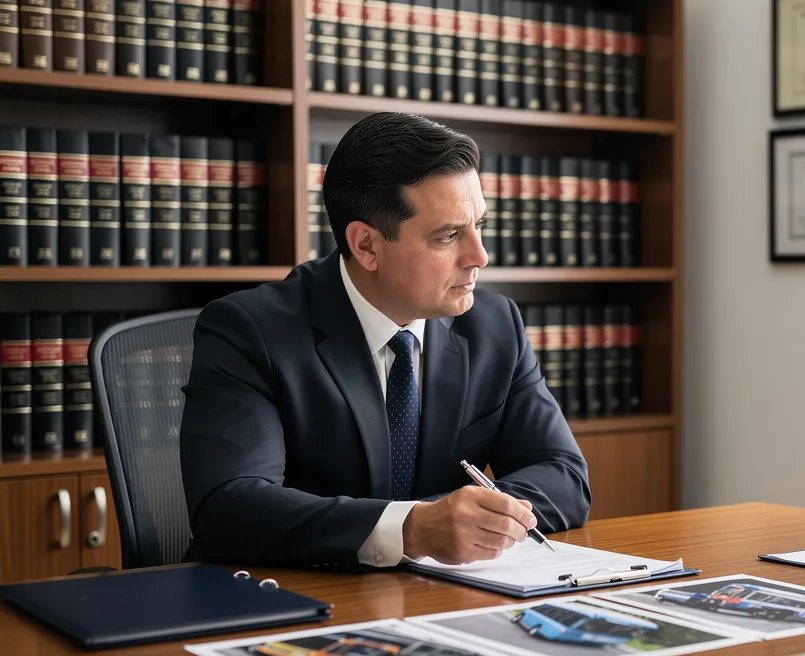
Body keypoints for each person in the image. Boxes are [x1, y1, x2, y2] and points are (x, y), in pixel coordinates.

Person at [179, 112, 591, 571]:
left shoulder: (494, 325)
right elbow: (230, 507)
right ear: (366, 246)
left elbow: (563, 476)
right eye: (449, 235)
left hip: (435, 600)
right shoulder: (249, 330)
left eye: (480, 225)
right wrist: (412, 528)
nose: (480, 256)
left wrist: (457, 521)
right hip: (286, 599)